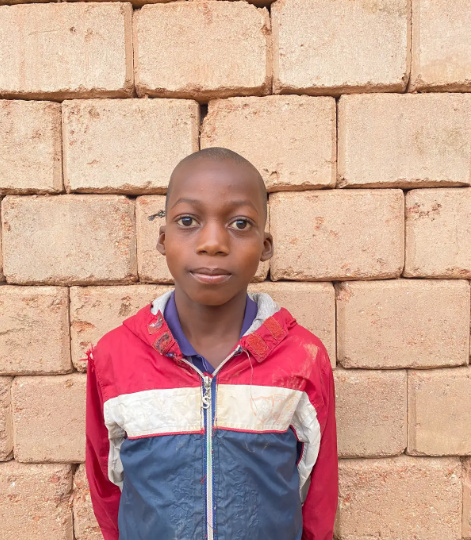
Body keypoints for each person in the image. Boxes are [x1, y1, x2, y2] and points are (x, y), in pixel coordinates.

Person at [85, 147, 338, 540]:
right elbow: (108, 485)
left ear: (265, 246)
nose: (213, 243)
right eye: (188, 221)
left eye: (240, 223)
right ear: (163, 239)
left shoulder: (302, 358)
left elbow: (316, 494)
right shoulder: (114, 356)